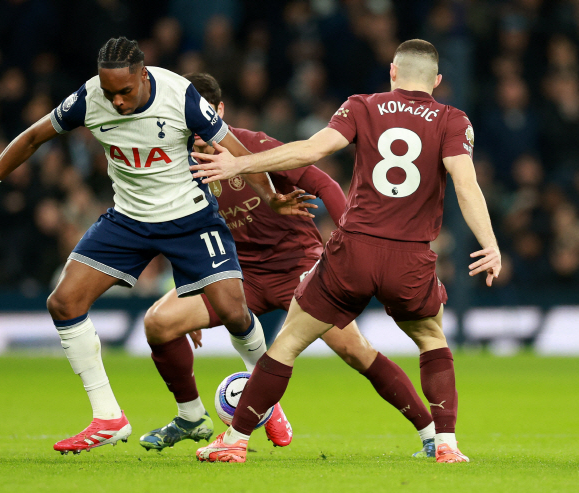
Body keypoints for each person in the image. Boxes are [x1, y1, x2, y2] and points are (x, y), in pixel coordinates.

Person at [0, 37, 313, 455]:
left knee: (233, 311)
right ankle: (108, 417)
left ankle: (267, 399)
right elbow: (31, 138)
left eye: (125, 91)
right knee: (63, 303)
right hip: (129, 220)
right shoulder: (88, 98)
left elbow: (235, 150)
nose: (117, 102)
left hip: (190, 220)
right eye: (109, 92)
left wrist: (270, 198)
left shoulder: (181, 96)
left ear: (144, 75)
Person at [192, 39, 502, 464]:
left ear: (393, 71)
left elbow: (311, 151)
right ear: (438, 80)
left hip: (353, 249)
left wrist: (239, 164)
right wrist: (490, 244)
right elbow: (466, 184)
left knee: (286, 344)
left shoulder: (363, 106)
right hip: (409, 257)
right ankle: (445, 444)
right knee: (431, 339)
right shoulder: (452, 120)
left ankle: (235, 442)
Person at [140, 73, 438, 457]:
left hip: (297, 266)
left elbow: (325, 185)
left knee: (354, 350)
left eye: (204, 116)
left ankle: (431, 434)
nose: (196, 129)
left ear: (219, 112)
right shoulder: (173, 163)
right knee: (160, 323)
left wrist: (351, 239)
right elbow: (178, 230)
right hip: (235, 275)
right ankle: (191, 417)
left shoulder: (253, 146)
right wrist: (191, 281)